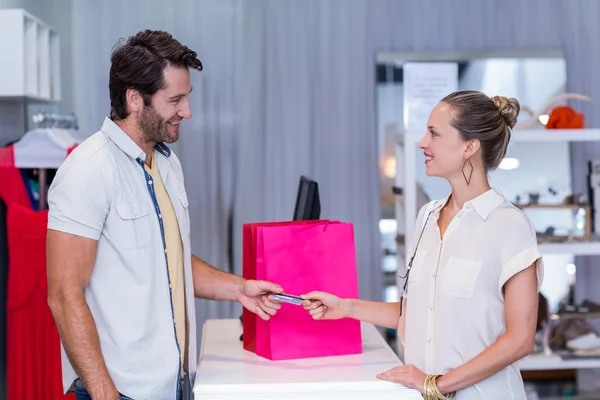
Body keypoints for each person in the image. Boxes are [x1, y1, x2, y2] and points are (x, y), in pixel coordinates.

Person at [46, 30, 284, 400]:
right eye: (176, 99)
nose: (187, 112)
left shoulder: (168, 166)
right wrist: (104, 392)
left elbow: (168, 262)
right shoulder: (87, 171)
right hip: (120, 390)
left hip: (175, 384)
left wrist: (239, 289)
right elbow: (64, 294)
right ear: (135, 99)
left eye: (186, 98)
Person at [302, 90, 543, 399]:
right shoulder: (427, 216)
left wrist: (436, 384)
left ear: (470, 147)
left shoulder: (510, 225)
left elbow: (520, 338)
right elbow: (415, 313)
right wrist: (345, 306)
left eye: (434, 134)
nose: (422, 143)